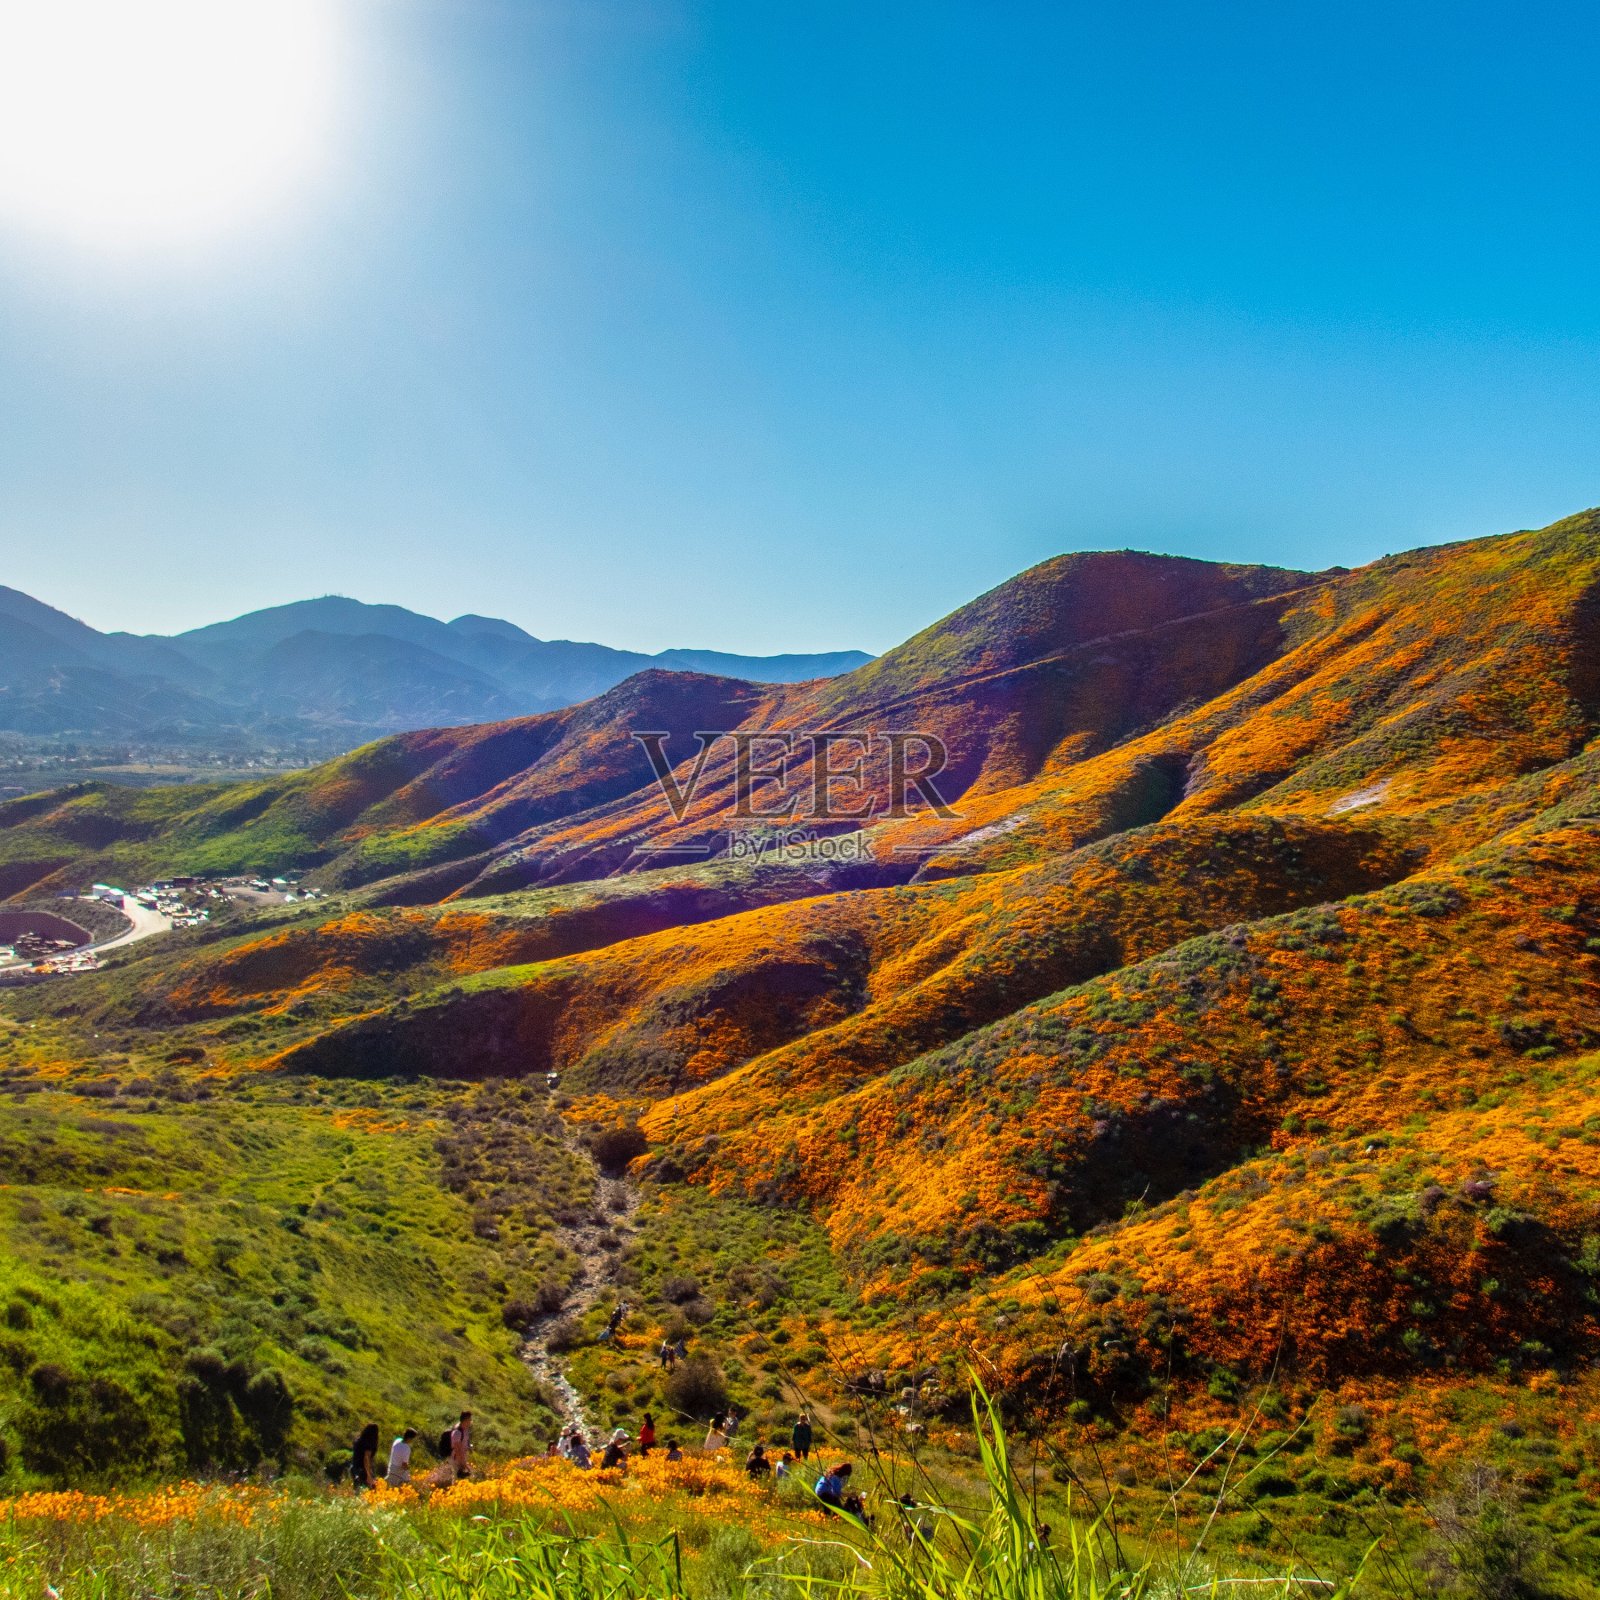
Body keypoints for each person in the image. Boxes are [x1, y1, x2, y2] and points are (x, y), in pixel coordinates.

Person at [350, 1423, 379, 1491]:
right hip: (362, 1470)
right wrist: (369, 1475)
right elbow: (366, 1459)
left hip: (354, 1468)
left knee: (357, 1491)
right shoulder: (369, 1443)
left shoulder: (359, 1440)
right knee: (371, 1491)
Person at [450, 1411, 472, 1480]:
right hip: (457, 1460)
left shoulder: (465, 1430)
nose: (471, 1421)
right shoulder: (457, 1432)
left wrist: (469, 1446)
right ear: (465, 1421)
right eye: (470, 1420)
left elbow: (465, 1441)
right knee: (457, 1480)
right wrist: (463, 1464)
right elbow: (457, 1450)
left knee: (463, 1480)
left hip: (463, 1458)